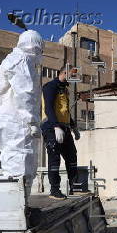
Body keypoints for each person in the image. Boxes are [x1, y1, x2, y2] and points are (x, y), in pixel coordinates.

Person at [0, 30, 44, 196]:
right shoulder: (22, 60)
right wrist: (33, 121)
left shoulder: (11, 59)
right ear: (36, 47)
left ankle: (18, 205)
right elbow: (25, 92)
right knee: (20, 164)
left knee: (13, 163)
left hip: (7, 117)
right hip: (16, 120)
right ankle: (18, 207)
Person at [41, 65, 81, 200]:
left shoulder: (65, 90)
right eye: (72, 74)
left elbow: (65, 111)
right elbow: (48, 108)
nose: (74, 78)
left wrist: (74, 127)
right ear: (64, 73)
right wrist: (55, 126)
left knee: (72, 156)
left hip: (64, 127)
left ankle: (74, 187)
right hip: (51, 127)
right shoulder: (50, 87)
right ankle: (54, 190)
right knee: (54, 157)